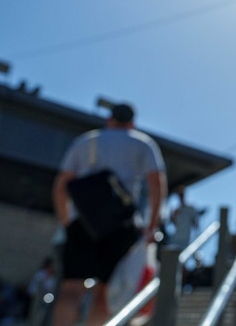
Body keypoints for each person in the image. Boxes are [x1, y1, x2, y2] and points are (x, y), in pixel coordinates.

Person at [51, 103, 166, 326]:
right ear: (132, 123)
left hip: (81, 222)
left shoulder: (87, 141)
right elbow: (156, 185)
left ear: (109, 119)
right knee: (105, 291)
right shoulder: (143, 143)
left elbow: (61, 185)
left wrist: (66, 221)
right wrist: (152, 226)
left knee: (71, 288)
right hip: (120, 225)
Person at [27, 258, 56, 326]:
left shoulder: (52, 277)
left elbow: (52, 288)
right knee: (35, 313)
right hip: (38, 297)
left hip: (47, 298)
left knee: (44, 314)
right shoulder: (40, 274)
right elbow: (35, 286)